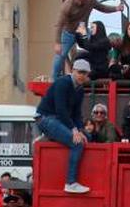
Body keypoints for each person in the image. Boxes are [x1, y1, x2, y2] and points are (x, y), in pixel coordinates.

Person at [35, 58, 91, 194]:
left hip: (58, 119)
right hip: (45, 118)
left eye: (85, 73)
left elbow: (76, 114)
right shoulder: (63, 83)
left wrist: (80, 130)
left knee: (87, 137)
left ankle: (48, 138)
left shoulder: (79, 90)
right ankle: (70, 182)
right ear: (73, 71)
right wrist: (74, 131)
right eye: (80, 72)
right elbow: (61, 110)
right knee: (77, 143)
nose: (82, 76)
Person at [51, 0, 123, 79]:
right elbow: (59, 25)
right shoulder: (67, 5)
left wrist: (116, 8)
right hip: (69, 32)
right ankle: (54, 78)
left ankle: (100, 67)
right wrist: (57, 42)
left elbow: (102, 7)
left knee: (96, 44)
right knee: (61, 54)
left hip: (82, 30)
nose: (81, 2)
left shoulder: (91, 1)